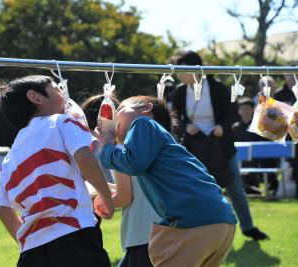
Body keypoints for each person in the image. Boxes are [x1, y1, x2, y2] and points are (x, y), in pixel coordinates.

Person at [96, 95, 236, 267]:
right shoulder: (161, 145)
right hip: (221, 221)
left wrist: (107, 147)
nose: (115, 117)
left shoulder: (143, 123)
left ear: (146, 109)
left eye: (120, 109)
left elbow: (134, 164)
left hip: (194, 221)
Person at [0, 75, 114, 267]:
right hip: (75, 238)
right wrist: (106, 197)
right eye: (58, 89)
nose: (65, 95)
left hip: (31, 253)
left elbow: (3, 210)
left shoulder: (9, 158)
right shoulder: (61, 122)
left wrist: (27, 242)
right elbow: (84, 157)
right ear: (35, 96)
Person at [171, 50, 269, 241]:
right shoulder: (180, 92)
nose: (178, 74)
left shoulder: (216, 87)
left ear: (195, 70)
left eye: (182, 70)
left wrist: (222, 128)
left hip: (221, 143)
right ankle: (198, 230)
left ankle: (248, 227)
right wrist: (185, 127)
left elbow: (232, 113)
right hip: (195, 146)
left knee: (235, 188)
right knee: (195, 189)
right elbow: (175, 119)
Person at [82, 94, 159, 267]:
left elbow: (125, 197)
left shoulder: (119, 151)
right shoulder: (149, 145)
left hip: (141, 234)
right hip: (158, 231)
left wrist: (102, 202)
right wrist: (100, 188)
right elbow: (133, 187)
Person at [232, 97, 278, 194]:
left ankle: (271, 188)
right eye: (242, 109)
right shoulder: (235, 128)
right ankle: (247, 188)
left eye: (247, 108)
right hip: (241, 159)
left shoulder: (260, 125)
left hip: (259, 158)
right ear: (239, 111)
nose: (245, 111)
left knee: (268, 161)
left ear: (252, 110)